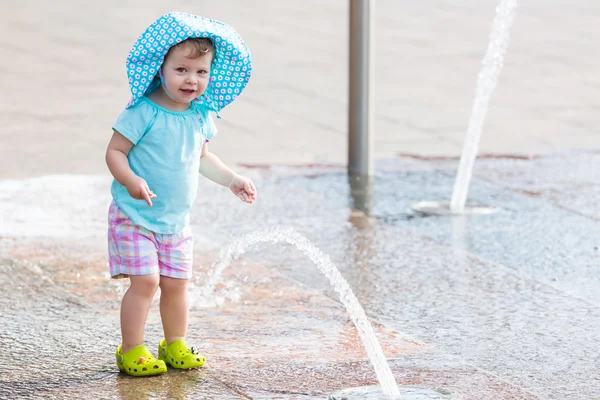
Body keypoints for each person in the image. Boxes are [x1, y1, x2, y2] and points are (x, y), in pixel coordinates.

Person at [105, 12, 256, 377]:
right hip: (135, 215)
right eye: (182, 70)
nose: (192, 80)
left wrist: (231, 178)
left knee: (176, 285)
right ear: (162, 68)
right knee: (147, 282)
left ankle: (174, 342)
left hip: (175, 222)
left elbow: (202, 157)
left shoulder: (201, 115)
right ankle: (131, 349)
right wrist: (130, 180)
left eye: (201, 72)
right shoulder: (143, 111)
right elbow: (115, 152)